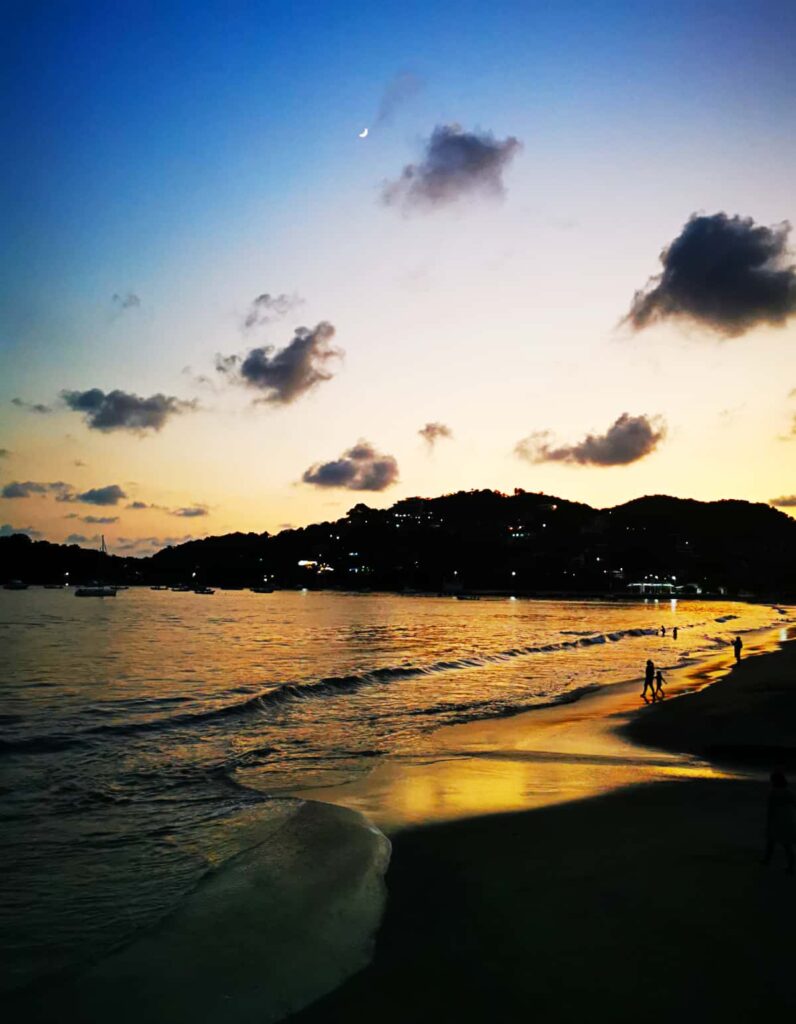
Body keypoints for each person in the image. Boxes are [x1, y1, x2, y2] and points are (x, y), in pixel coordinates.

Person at [762, 772, 795, 874]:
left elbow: (770, 809)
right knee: (786, 843)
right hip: (788, 817)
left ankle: (767, 860)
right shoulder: (788, 792)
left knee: (772, 840)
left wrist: (768, 820)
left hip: (777, 817)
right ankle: (790, 865)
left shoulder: (773, 792)